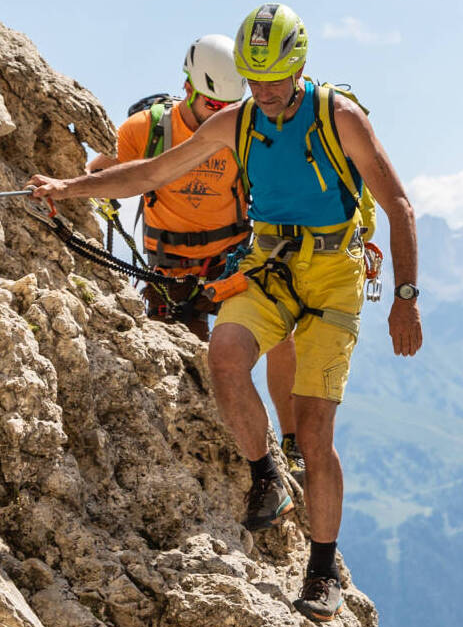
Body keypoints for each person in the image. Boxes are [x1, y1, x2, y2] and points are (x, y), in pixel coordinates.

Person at [30, 4, 422, 622]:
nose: (264, 92)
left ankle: (321, 572)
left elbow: (397, 203)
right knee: (225, 357)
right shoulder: (238, 121)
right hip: (269, 264)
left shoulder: (337, 118)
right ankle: (265, 471)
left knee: (317, 434)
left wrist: (405, 299)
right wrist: (66, 190)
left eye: (274, 78)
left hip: (332, 276)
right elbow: (152, 173)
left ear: (299, 67)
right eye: (254, 78)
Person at [87, 33, 305, 469]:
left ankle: (292, 440)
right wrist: (87, 188)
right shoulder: (146, 131)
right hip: (171, 273)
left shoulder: (245, 132)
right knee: (194, 367)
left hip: (230, 262)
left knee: (283, 333)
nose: (219, 117)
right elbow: (106, 171)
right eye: (211, 106)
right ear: (188, 88)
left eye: (227, 108)